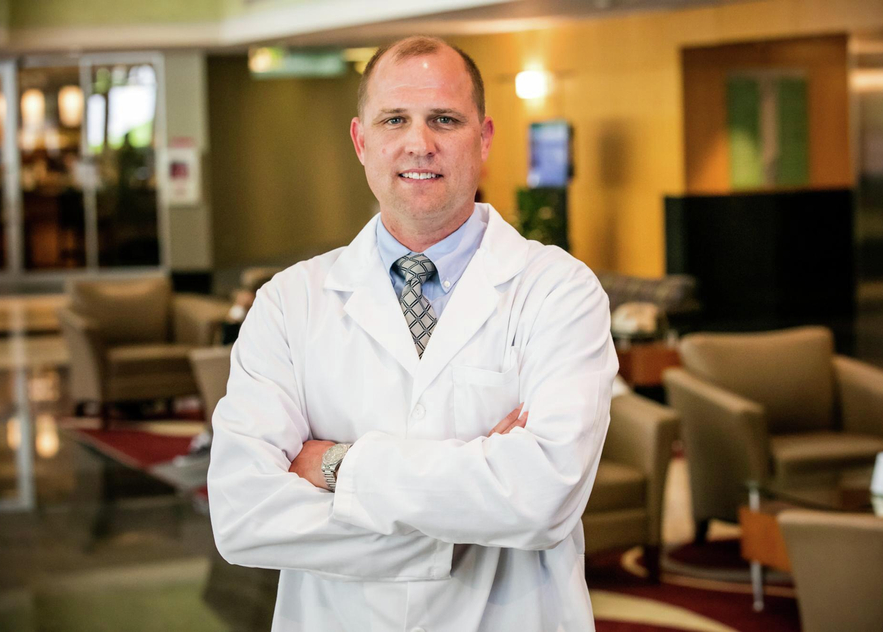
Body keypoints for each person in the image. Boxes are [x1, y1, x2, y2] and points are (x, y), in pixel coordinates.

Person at [208, 36, 618, 632]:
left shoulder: (558, 290)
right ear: (361, 140)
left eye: (445, 120)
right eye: (394, 119)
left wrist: (337, 466)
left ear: (483, 139)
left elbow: (543, 497)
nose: (418, 143)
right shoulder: (288, 303)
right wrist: (458, 531)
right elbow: (243, 515)